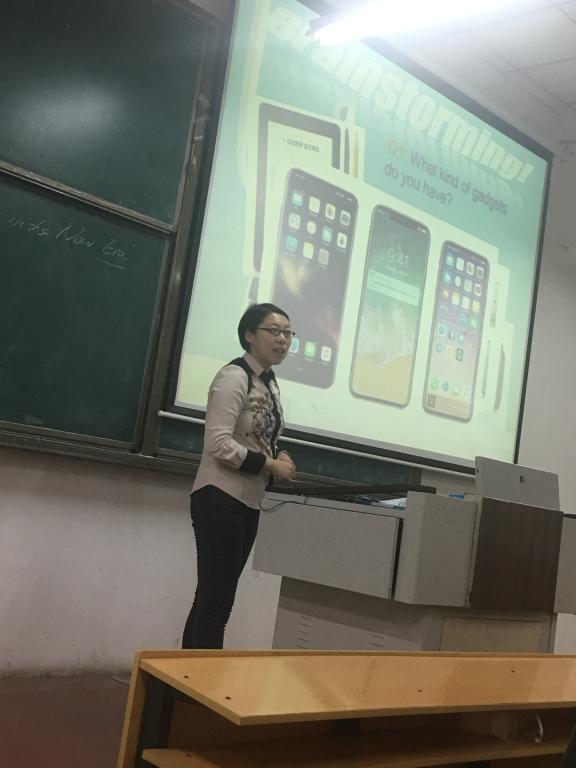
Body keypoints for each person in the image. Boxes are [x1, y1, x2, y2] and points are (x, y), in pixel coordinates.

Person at [182, 303, 296, 649]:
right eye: (273, 331)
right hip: (220, 497)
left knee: (211, 598)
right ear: (249, 335)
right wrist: (269, 465)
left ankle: (181, 675)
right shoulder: (234, 377)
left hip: (247, 501)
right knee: (216, 604)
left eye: (288, 333)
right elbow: (217, 443)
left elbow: (259, 436)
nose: (282, 339)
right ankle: (200, 679)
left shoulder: (269, 383)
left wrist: (279, 453)